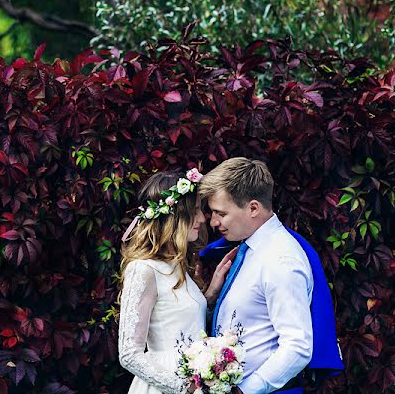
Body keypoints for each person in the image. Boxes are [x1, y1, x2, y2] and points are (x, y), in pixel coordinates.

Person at [118, 169, 239, 394]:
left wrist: (210, 295)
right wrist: (184, 388)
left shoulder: (179, 266)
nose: (202, 219)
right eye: (194, 211)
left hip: (195, 379)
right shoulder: (144, 269)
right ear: (173, 216)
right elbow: (129, 354)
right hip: (166, 385)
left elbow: (182, 324)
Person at [199, 157, 313, 394]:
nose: (213, 222)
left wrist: (245, 390)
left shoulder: (281, 259)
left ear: (253, 208)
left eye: (221, 213)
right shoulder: (249, 248)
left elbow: (298, 345)